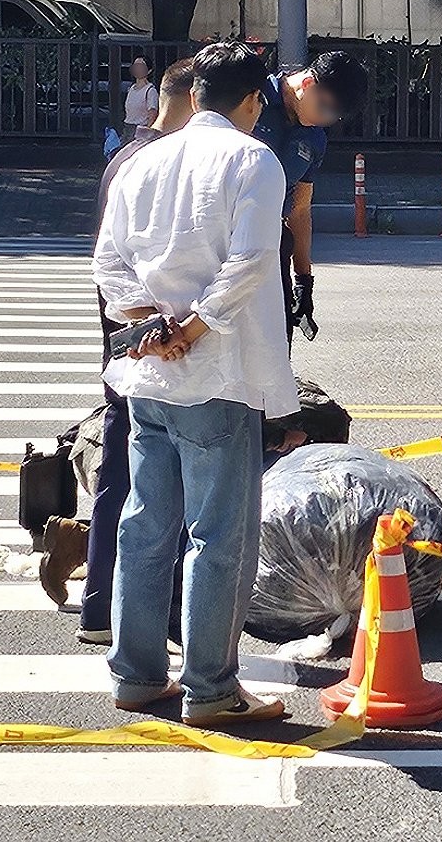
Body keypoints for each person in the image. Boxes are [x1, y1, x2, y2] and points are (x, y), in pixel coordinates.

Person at [93, 42, 298, 725]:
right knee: (218, 539)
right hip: (219, 373)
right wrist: (196, 328)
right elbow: (250, 262)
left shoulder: (141, 159)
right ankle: (211, 688)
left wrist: (155, 324)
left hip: (149, 372)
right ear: (252, 102)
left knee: (145, 527)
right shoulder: (253, 159)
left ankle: (135, 674)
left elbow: (109, 262)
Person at [39, 58, 197, 647]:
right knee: (150, 473)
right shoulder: (155, 160)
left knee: (122, 468)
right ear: (189, 101)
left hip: (124, 329)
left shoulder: (125, 157)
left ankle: (102, 601)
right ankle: (129, 608)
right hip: (146, 332)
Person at [253, 50, 369, 344]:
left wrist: (303, 281)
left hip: (271, 245)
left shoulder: (314, 137)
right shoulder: (253, 96)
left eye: (335, 117)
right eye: (326, 109)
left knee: (276, 347)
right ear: (307, 84)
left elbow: (300, 210)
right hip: (222, 241)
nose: (325, 120)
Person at [123, 55, 159, 142]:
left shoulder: (150, 91)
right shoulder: (132, 88)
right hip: (127, 128)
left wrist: (146, 134)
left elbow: (152, 114)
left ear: (149, 70)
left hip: (140, 129)